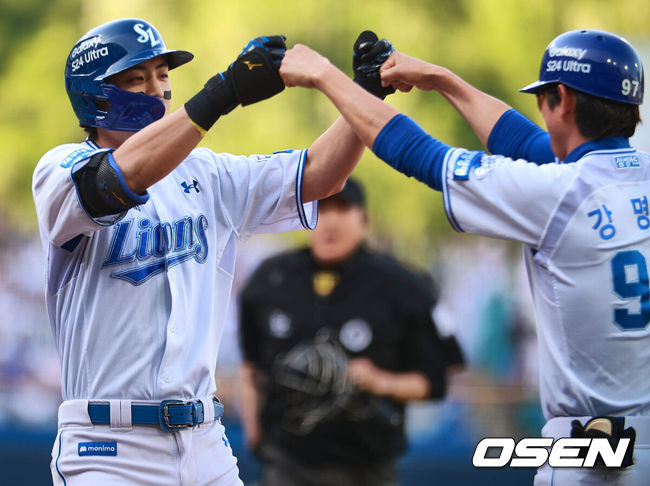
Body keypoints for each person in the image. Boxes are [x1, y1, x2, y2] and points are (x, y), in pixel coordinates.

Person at [277, 29, 650, 485]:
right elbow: (531, 145)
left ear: (564, 100)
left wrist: (326, 77)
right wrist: (443, 80)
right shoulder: (626, 175)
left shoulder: (557, 192)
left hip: (594, 458)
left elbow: (418, 153)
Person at [32, 18, 372, 486]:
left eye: (163, 75)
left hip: (204, 441)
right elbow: (112, 181)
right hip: (108, 447)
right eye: (137, 77)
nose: (157, 89)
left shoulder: (207, 174)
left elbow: (318, 175)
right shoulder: (59, 169)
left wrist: (364, 97)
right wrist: (222, 93)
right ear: (96, 94)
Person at [237, 177, 463, 486]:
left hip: (367, 466)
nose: (330, 221)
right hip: (288, 462)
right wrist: (255, 437)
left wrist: (381, 381)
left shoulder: (404, 285)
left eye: (342, 209)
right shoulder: (271, 278)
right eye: (321, 210)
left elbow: (438, 379)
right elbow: (251, 369)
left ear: (363, 220)